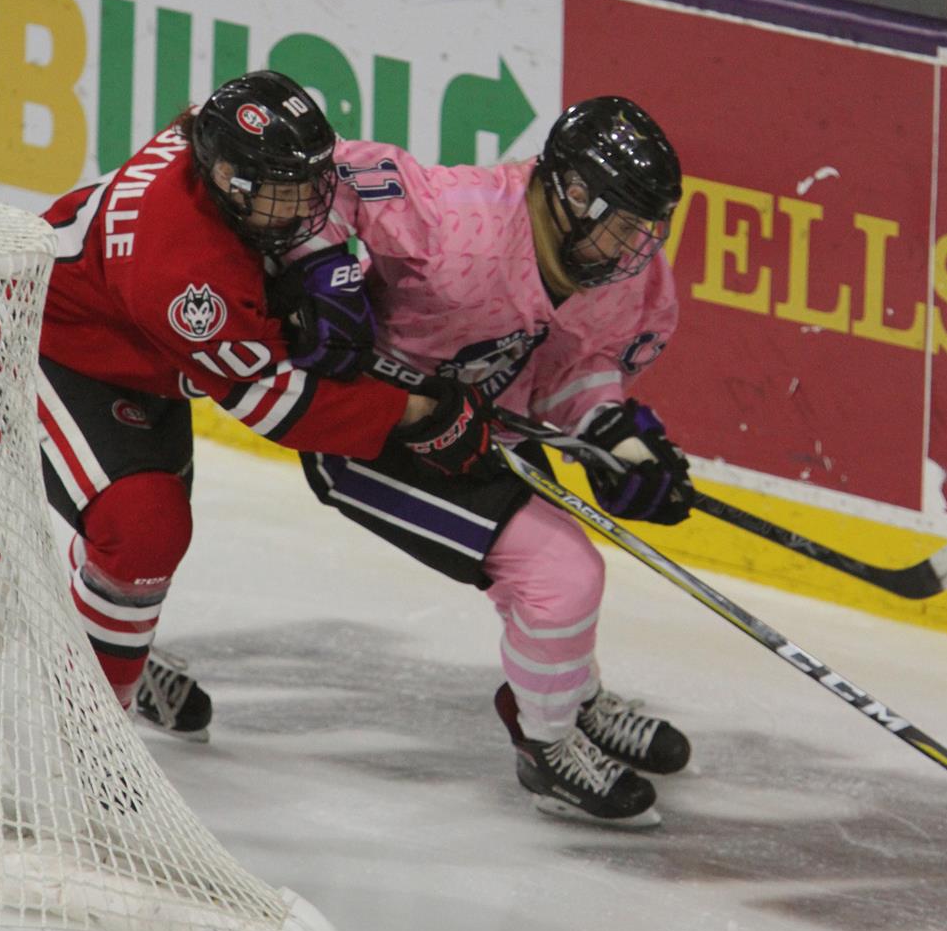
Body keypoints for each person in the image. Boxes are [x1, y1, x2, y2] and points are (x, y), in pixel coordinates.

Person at [37, 71, 484, 740]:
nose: (307, 203)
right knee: (142, 528)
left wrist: (311, 264)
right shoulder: (185, 279)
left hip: (136, 354)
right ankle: (89, 741)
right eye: (285, 191)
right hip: (48, 344)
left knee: (136, 550)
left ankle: (98, 643)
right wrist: (410, 413)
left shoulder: (212, 142)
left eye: (311, 182)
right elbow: (276, 404)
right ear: (226, 178)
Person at [290, 95, 696, 827]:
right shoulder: (456, 223)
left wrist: (613, 432)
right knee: (561, 575)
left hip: (476, 427)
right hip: (372, 431)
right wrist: (323, 274)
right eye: (625, 222)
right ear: (573, 194)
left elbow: (571, 370)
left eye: (647, 226)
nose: (638, 245)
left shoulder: (614, 273)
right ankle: (546, 748)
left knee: (552, 582)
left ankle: (565, 691)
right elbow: (325, 175)